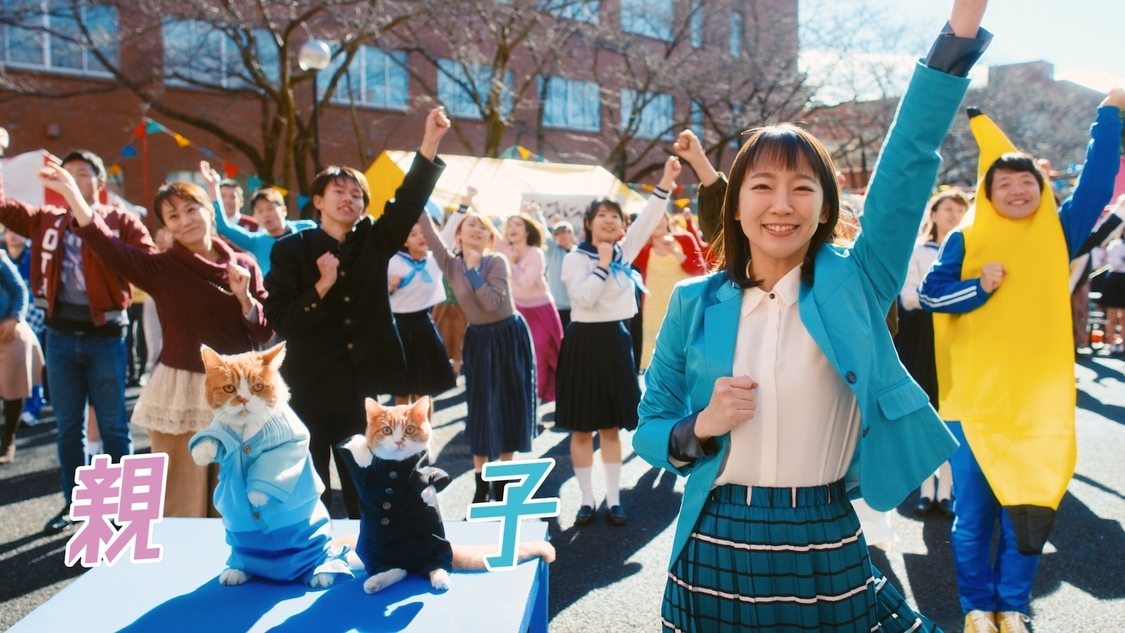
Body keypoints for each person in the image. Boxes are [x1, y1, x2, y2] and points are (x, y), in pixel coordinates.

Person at [633, 2, 990, 630]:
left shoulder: (858, 282)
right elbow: (649, 429)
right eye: (762, 186)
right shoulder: (694, 302)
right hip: (713, 535)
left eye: (802, 188)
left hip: (824, 527)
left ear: (826, 207)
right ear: (734, 205)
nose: (782, 204)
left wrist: (960, 27)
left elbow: (908, 158)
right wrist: (703, 425)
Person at [921, 89, 1123, 633]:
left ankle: (1012, 606)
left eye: (1026, 181)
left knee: (1029, 513)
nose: (1016, 190)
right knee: (973, 519)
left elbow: (1098, 183)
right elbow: (932, 296)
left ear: (1042, 188)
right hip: (975, 405)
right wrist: (978, 287)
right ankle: (975, 609)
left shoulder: (1059, 231)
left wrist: (1109, 113)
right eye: (1004, 183)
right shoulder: (965, 239)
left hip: (1039, 405)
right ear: (987, 193)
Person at [37, 166, 273, 518]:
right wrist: (72, 193)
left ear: (210, 211)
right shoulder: (160, 268)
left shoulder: (245, 264)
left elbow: (263, 333)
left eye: (191, 209)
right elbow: (107, 246)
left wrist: (245, 299)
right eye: (173, 216)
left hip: (239, 391)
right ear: (166, 227)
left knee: (238, 496)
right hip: (181, 390)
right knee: (182, 496)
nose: (185, 220)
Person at [264, 107, 450, 519]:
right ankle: (311, 550)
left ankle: (366, 549)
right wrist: (321, 286)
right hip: (306, 386)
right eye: (339, 192)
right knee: (308, 485)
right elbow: (280, 319)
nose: (349, 199)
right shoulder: (290, 250)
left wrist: (430, 141)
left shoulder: (373, 241)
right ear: (318, 201)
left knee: (363, 485)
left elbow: (408, 201)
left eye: (357, 195)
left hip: (359, 388)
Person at [0, 148, 152, 535]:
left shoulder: (120, 220)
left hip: (107, 337)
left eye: (81, 173)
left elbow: (148, 261)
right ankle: (75, 503)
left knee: (114, 427)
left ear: (99, 183)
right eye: (65, 173)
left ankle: (125, 509)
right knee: (68, 427)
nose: (70, 179)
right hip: (61, 337)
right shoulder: (46, 219)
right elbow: (4, 208)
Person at [556, 156, 679, 527]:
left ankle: (613, 500)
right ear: (588, 223)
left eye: (615, 215)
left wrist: (667, 179)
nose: (609, 220)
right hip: (583, 342)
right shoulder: (575, 258)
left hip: (615, 341)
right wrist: (603, 265)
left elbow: (648, 218)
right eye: (602, 215)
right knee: (581, 428)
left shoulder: (625, 251)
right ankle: (586, 500)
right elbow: (583, 299)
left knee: (610, 427)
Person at [419, 205, 537, 503]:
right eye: (470, 224)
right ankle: (481, 483)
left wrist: (473, 270)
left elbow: (492, 303)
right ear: (458, 234)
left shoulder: (497, 261)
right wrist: (417, 197)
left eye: (483, 226)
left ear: (490, 237)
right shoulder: (450, 263)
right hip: (479, 339)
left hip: (508, 336)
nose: (476, 229)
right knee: (481, 410)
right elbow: (430, 232)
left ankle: (503, 482)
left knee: (510, 407)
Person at [898, 189, 970, 518]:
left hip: (959, 335)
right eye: (948, 208)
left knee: (953, 412)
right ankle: (926, 488)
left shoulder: (971, 251)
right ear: (934, 213)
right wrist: (947, 296)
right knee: (925, 412)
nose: (954, 215)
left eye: (960, 209)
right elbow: (908, 296)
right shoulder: (917, 251)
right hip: (922, 336)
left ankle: (947, 489)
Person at [386, 217, 457, 404]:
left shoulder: (435, 260)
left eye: (424, 233)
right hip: (397, 329)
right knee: (401, 392)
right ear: (405, 241)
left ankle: (425, 425)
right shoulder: (393, 261)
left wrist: (463, 208)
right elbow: (373, 293)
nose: (421, 237)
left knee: (424, 393)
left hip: (423, 327)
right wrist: (390, 287)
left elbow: (448, 234)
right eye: (413, 234)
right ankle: (402, 425)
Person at [500, 212, 564, 403]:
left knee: (541, 353)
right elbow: (487, 228)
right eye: (509, 225)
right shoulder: (505, 249)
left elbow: (527, 282)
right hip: (516, 309)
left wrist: (512, 264)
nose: (512, 228)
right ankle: (519, 395)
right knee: (517, 354)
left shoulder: (535, 253)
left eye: (517, 224)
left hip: (540, 310)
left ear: (527, 231)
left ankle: (536, 397)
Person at [633, 212, 707, 370]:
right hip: (653, 316)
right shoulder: (644, 250)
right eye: (651, 219)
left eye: (659, 216)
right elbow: (625, 249)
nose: (656, 221)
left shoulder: (685, 239)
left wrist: (676, 252)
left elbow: (701, 272)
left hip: (683, 310)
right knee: (656, 369)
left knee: (688, 363)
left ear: (667, 219)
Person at [205, 173, 318, 277]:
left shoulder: (307, 228)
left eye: (270, 208)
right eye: (260, 211)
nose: (266, 215)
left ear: (283, 210)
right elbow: (223, 226)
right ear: (255, 217)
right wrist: (212, 186)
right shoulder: (256, 242)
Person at [0, 246, 43, 463]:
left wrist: (15, 318)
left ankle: (8, 439)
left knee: (13, 387)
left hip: (8, 331)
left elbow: (20, 290)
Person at [4, 228, 46, 425]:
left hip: (29, 319)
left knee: (30, 367)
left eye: (17, 231)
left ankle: (32, 408)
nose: (13, 235)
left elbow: (23, 289)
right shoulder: (4, 255)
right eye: (8, 231)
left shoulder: (34, 257)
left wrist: (17, 317)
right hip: (6, 322)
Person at [546, 220, 576, 327]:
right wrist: (537, 214)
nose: (561, 236)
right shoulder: (552, 251)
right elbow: (544, 234)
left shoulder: (580, 252)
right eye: (557, 234)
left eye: (564, 232)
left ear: (571, 233)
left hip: (577, 307)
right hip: (557, 307)